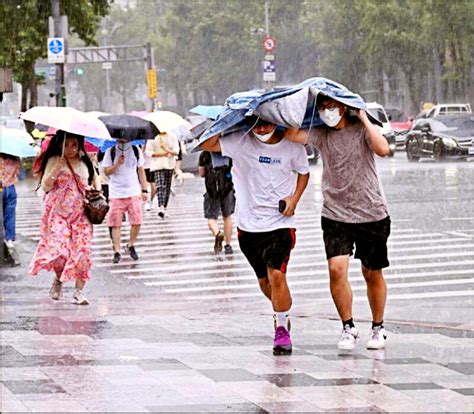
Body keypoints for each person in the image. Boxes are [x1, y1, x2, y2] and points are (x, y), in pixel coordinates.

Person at [286, 94, 391, 350]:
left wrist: (364, 117)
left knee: (371, 272)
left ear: (343, 108)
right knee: (336, 270)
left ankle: (378, 327)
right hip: (335, 214)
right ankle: (348, 326)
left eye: (330, 107)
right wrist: (300, 103)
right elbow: (291, 135)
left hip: (371, 213)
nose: (326, 112)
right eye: (322, 108)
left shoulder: (361, 130)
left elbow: (383, 150)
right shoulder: (322, 134)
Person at [200, 117, 310, 355]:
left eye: (267, 124)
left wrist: (294, 199)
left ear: (276, 122)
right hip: (248, 226)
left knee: (277, 276)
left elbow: (303, 172)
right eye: (257, 124)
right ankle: (282, 311)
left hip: (280, 223)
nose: (262, 129)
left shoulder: (292, 144)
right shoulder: (240, 141)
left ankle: (281, 329)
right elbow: (206, 144)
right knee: (265, 282)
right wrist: (228, 121)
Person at [28, 131, 101, 305]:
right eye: (66, 145)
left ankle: (78, 292)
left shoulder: (85, 163)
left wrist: (95, 189)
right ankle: (59, 280)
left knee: (83, 252)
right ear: (60, 145)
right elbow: (46, 185)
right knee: (61, 251)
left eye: (74, 145)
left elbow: (97, 179)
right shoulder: (54, 160)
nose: (70, 149)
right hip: (58, 214)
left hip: (81, 216)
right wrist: (56, 168)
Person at [102, 139, 148, 263]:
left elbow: (141, 170)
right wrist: (117, 164)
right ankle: (116, 251)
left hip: (133, 191)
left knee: (137, 221)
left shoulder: (135, 150)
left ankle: (130, 244)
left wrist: (144, 189)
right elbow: (106, 172)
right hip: (116, 192)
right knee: (115, 223)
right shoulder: (110, 151)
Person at [198, 151, 235, 254]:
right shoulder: (228, 150)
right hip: (227, 188)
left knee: (211, 218)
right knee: (227, 217)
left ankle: (218, 233)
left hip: (212, 190)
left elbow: (201, 173)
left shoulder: (205, 153)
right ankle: (228, 245)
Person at [145, 132, 180, 218]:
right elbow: (149, 152)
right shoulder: (153, 137)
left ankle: (164, 207)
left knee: (167, 187)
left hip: (170, 164)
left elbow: (176, 151)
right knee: (160, 185)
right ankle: (160, 206)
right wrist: (162, 154)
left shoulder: (172, 136)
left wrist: (166, 150)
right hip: (157, 165)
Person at [1, 153, 21, 266]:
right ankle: (9, 240)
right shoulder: (16, 159)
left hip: (0, 189)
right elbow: (17, 174)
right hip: (11, 189)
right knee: (10, 215)